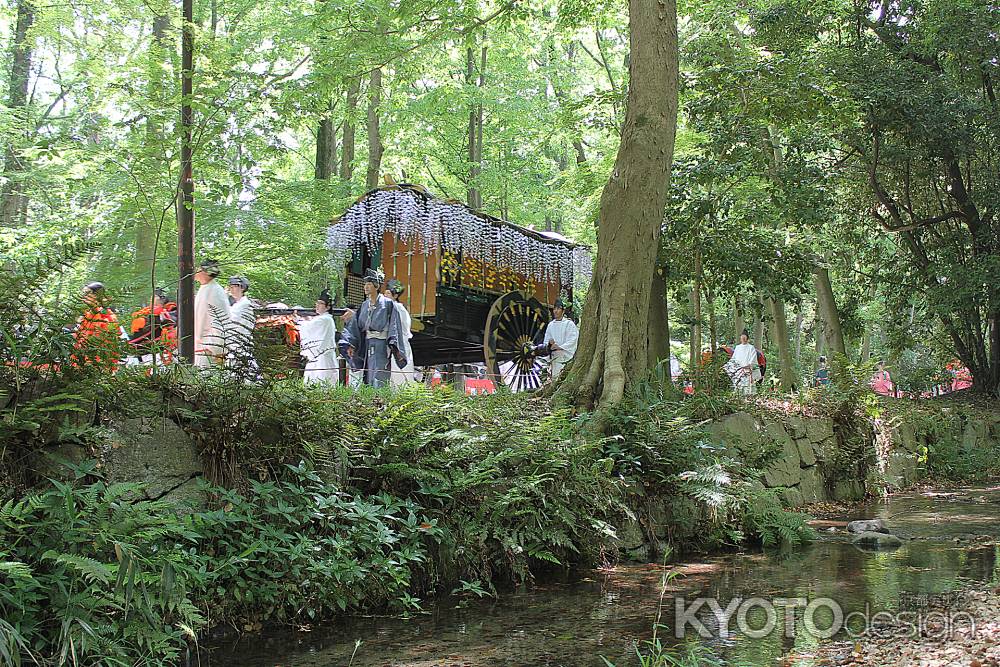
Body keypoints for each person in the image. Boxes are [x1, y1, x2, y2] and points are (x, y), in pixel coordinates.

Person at [338, 269, 407, 388]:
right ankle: (369, 402)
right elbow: (356, 326)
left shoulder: (388, 304)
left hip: (382, 343)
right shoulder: (364, 305)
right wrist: (351, 344)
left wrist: (395, 347)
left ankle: (380, 401)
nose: (366, 287)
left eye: (369, 284)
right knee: (368, 374)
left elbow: (394, 326)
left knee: (380, 373)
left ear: (376, 286)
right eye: (365, 284)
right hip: (367, 343)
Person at [74, 281, 123, 368]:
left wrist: (94, 310)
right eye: (83, 293)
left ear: (97, 295)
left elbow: (108, 335)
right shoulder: (86, 315)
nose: (83, 296)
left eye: (87, 293)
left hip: (100, 360)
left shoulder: (109, 316)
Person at [297, 288, 339, 386]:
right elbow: (311, 324)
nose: (317, 305)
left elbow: (308, 327)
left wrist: (298, 320)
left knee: (322, 381)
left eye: (320, 303)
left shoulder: (325, 319)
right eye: (317, 303)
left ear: (327, 307)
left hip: (322, 356)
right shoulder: (324, 319)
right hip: (319, 356)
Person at [193, 259, 230, 368]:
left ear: (206, 272)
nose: (196, 271)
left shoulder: (215, 291)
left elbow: (221, 320)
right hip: (201, 345)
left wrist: (215, 347)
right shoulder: (205, 288)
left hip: (209, 347)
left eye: (199, 269)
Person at [128, 287, 177, 363]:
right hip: (146, 351)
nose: (152, 300)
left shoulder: (171, 312)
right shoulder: (143, 314)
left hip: (160, 352)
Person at [385, 278, 415, 387]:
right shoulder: (389, 307)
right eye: (385, 293)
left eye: (388, 293)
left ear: (395, 296)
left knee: (400, 375)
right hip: (393, 343)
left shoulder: (397, 307)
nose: (385, 296)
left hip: (399, 344)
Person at [226, 275, 258, 374]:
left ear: (242, 288)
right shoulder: (236, 305)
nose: (231, 289)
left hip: (240, 343)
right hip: (234, 344)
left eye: (234, 286)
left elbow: (229, 319)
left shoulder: (245, 305)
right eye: (230, 286)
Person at [541, 298, 579, 379]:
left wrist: (560, 347)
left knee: (559, 357)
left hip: (566, 353)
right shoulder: (551, 325)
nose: (555, 311)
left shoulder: (569, 324)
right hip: (553, 353)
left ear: (563, 311)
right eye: (554, 308)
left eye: (558, 308)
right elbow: (546, 340)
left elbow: (573, 340)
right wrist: (549, 345)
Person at [725, 330, 761, 395]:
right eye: (742, 338)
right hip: (739, 370)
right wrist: (728, 365)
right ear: (740, 338)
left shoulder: (751, 348)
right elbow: (733, 359)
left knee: (748, 387)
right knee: (738, 385)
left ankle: (749, 399)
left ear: (747, 338)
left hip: (747, 370)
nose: (743, 339)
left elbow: (753, 360)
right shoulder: (737, 347)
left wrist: (748, 365)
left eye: (745, 338)